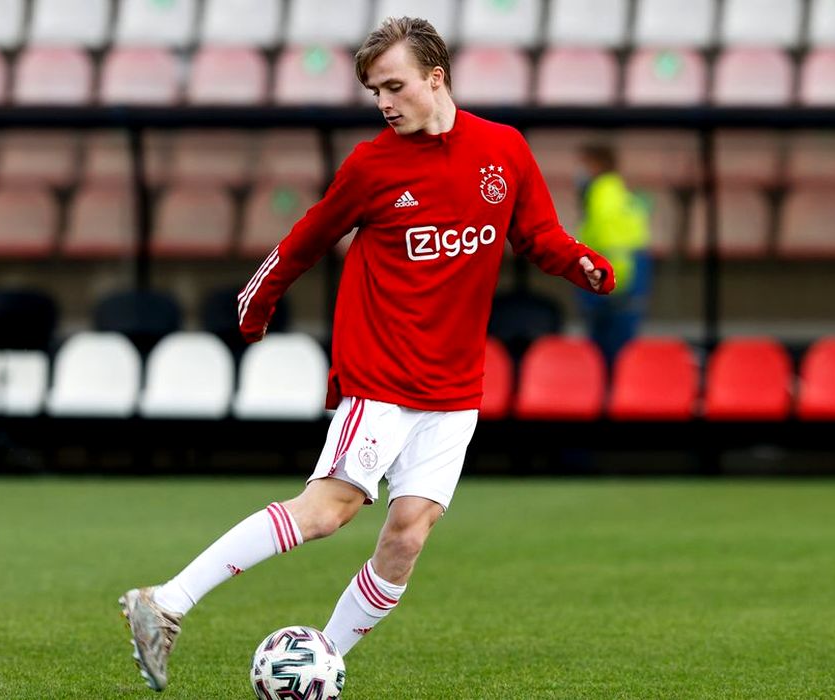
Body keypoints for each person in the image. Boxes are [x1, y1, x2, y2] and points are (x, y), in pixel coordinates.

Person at [118, 17, 616, 692]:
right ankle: (166, 602)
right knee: (329, 510)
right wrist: (256, 303)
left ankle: (320, 660)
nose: (384, 102)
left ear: (435, 77)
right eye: (375, 91)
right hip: (382, 375)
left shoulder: (503, 148)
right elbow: (307, 237)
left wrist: (581, 262)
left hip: (456, 387)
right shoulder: (372, 165)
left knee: (407, 536)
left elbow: (538, 235)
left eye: (393, 86)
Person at [574, 144, 651, 364]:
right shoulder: (619, 191)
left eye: (584, 164)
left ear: (597, 164)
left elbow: (606, 239)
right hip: (627, 277)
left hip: (611, 280)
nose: (579, 171)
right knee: (619, 353)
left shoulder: (602, 192)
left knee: (606, 354)